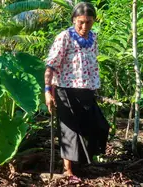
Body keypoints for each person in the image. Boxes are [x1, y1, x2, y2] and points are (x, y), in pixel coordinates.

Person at [44, 2, 109, 184]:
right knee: (70, 131)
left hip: (86, 89)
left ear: (94, 21)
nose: (84, 26)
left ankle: (82, 163)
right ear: (74, 20)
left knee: (98, 126)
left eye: (88, 22)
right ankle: (68, 170)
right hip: (65, 89)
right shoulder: (64, 37)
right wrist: (48, 91)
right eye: (80, 22)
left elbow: (92, 63)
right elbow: (50, 67)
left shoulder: (93, 38)